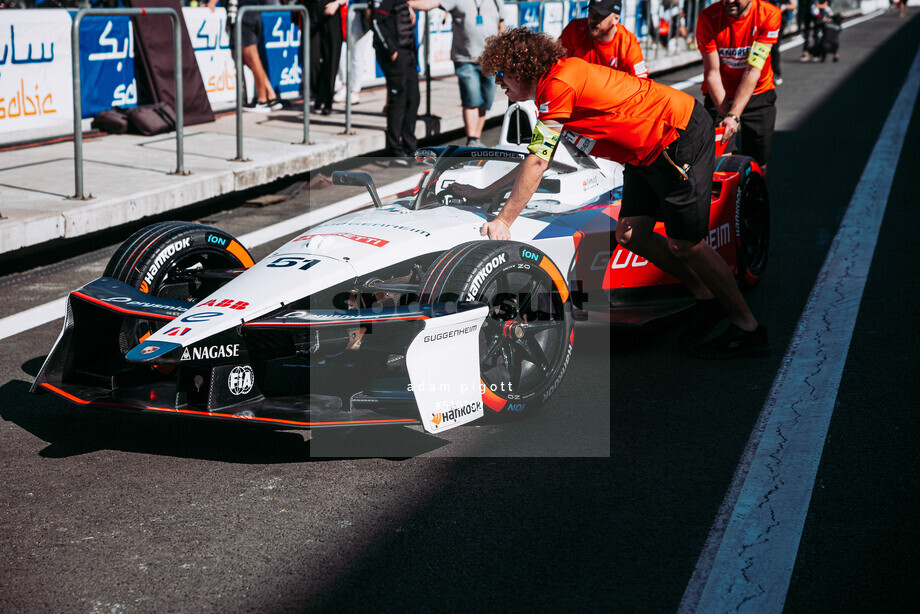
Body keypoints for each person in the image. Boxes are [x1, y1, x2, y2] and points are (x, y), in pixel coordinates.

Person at [473, 27, 767, 357]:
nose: (498, 83)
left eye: (501, 74)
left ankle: (748, 327)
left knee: (687, 244)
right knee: (631, 233)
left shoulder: (558, 84)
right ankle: (705, 298)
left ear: (521, 68)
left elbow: (538, 161)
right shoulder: (550, 87)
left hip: (676, 135)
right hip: (646, 150)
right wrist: (485, 190)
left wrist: (504, 220)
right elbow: (539, 156)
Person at [696, 0, 781, 179]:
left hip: (758, 93)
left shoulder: (769, 14)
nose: (730, 1)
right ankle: (727, 206)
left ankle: (758, 205)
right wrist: (728, 115)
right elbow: (712, 72)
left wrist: (734, 115)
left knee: (759, 166)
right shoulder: (708, 18)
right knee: (720, 164)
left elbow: (753, 70)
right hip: (720, 95)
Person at [408, 0, 506, 147]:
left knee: (485, 102)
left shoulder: (496, 1)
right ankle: (472, 138)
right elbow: (431, 3)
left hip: (490, 59)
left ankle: (476, 139)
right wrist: (407, 4)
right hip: (465, 58)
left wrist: (501, 54)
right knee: (471, 99)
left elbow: (502, 27)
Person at [370, 0, 421, 166]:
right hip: (395, 54)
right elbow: (376, 22)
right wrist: (391, 50)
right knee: (398, 100)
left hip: (408, 54)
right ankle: (396, 151)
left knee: (413, 98)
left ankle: (411, 148)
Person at [209, 0, 283, 113]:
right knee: (250, 60)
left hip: (246, 16)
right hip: (251, 14)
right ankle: (271, 96)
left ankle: (262, 100)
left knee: (253, 59)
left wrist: (212, 2)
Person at [559, 0, 648, 79]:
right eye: (591, 12)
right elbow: (555, 66)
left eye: (599, 15)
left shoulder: (628, 43)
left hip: (612, 96)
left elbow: (641, 84)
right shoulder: (574, 29)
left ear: (615, 19)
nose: (592, 20)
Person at [315, 0, 347, 115]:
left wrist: (337, 3)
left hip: (332, 12)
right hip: (312, 13)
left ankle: (327, 100)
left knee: (332, 60)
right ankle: (319, 92)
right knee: (313, 59)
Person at [765, 0, 795, 84]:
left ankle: (776, 73)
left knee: (774, 48)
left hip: (779, 22)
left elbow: (793, 5)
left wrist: (785, 7)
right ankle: (767, 74)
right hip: (766, 21)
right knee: (765, 49)